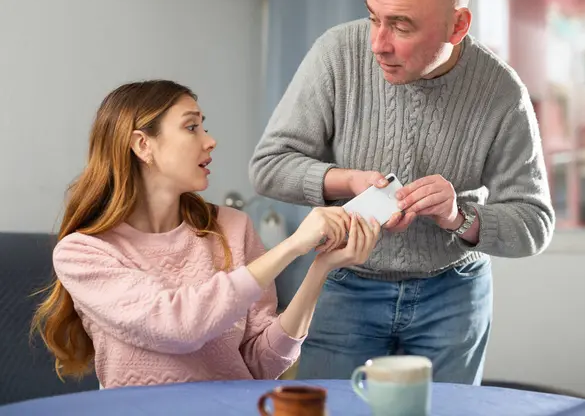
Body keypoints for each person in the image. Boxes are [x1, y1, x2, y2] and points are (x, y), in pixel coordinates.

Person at [249, 0, 555, 385]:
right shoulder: (337, 54)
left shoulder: (502, 93)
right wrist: (346, 180)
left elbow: (535, 224)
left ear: (458, 25)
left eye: (401, 26)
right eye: (374, 17)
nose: (378, 43)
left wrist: (459, 216)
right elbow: (267, 166)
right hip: (345, 281)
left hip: (453, 294)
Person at [31, 79, 380, 389]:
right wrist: (292, 246)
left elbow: (262, 363)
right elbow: (178, 326)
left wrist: (320, 268)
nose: (210, 141)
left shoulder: (233, 228)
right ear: (142, 145)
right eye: (191, 128)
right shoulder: (83, 253)